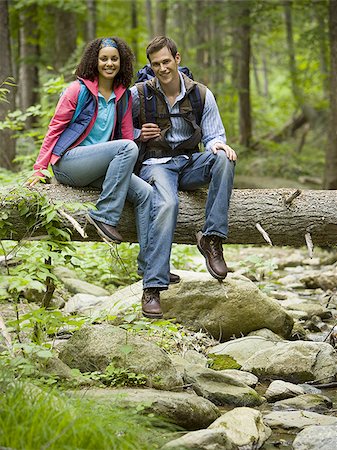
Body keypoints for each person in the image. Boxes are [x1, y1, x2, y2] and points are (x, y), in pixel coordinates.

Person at [131, 36, 237, 319]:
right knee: (167, 205)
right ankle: (152, 286)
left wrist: (218, 145)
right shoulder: (138, 94)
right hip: (156, 164)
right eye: (156, 64)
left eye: (166, 61)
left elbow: (215, 135)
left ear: (177, 59)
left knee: (225, 158)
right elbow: (118, 133)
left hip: (189, 162)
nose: (162, 68)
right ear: (150, 66)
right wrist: (139, 134)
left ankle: (211, 239)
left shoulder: (201, 94)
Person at [29, 37, 152, 273]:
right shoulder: (78, 90)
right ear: (94, 61)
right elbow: (54, 129)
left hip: (102, 167)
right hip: (69, 164)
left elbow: (127, 136)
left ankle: (149, 264)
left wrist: (133, 171)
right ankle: (104, 215)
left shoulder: (123, 96)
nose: (109, 63)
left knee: (146, 193)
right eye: (103, 58)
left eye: (114, 59)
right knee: (127, 147)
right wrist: (39, 169)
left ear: (121, 61)